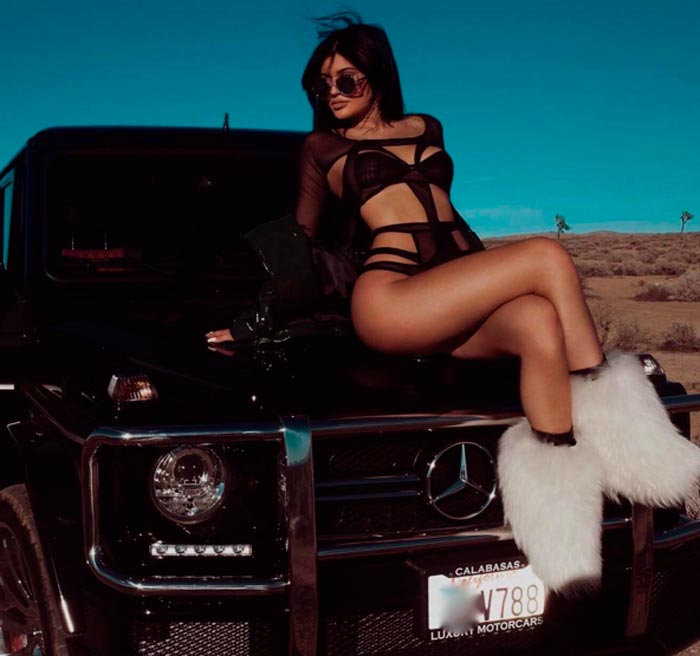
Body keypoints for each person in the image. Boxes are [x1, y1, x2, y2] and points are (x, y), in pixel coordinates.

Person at [206, 14, 700, 596]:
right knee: (547, 255)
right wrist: (255, 321)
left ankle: (562, 535)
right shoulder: (322, 148)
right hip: (391, 297)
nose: (332, 93)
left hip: (445, 289)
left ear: (377, 76)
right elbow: (300, 241)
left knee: (538, 319)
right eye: (322, 85)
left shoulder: (427, 126)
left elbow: (447, 217)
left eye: (346, 80)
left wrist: (488, 279)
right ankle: (630, 437)